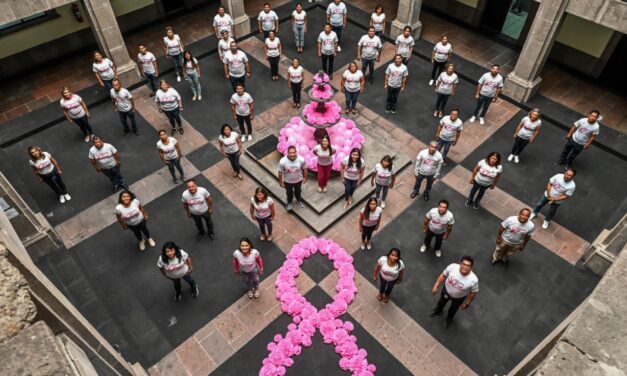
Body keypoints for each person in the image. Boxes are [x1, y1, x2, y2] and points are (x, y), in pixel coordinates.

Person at [429, 256, 478, 328]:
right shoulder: (452, 267)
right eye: (464, 264)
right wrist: (436, 286)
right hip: (446, 291)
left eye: (468, 265)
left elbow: (473, 292)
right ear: (460, 263)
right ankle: (437, 310)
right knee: (441, 302)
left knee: (453, 309)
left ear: (471, 267)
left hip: (459, 298)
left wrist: (468, 303)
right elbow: (443, 275)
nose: (465, 267)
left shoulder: (473, 279)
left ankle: (449, 318)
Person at [278, 146, 307, 211]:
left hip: (298, 180)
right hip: (287, 181)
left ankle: (299, 200)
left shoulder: (301, 159)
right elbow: (280, 172)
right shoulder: (282, 161)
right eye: (290, 153)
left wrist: (305, 178)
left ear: (296, 152)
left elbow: (305, 169)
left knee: (298, 191)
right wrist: (280, 182)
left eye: (294, 152)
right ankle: (289, 202)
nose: (292, 154)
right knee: (289, 192)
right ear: (287, 153)